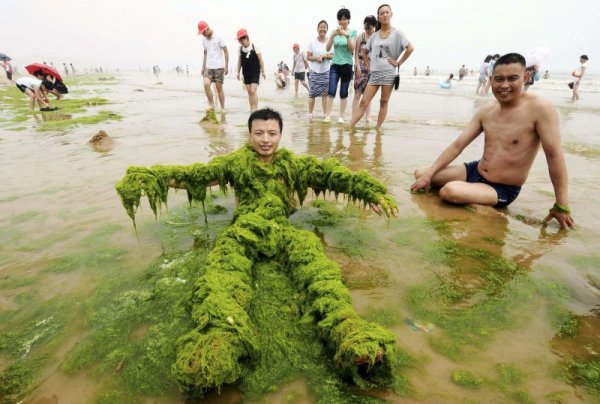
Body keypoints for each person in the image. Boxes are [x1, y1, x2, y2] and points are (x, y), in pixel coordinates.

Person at [116, 107, 399, 393]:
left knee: (318, 271)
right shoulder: (236, 162)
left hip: (282, 230)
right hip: (243, 230)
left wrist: (371, 193)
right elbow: (195, 176)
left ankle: (348, 332)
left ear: (280, 135)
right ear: (249, 134)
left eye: (272, 133)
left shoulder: (292, 165)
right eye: (259, 133)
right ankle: (219, 338)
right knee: (223, 274)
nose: (266, 139)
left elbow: (332, 176)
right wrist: (151, 178)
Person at [411, 53, 574, 229]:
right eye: (499, 79)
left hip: (502, 188)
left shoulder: (540, 109)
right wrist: (429, 175)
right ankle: (469, 190)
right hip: (476, 171)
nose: (504, 85)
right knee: (421, 173)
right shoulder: (487, 110)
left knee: (450, 191)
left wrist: (561, 205)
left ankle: (470, 192)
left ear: (526, 77)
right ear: (491, 79)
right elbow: (458, 145)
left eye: (512, 78)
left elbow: (554, 156)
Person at [349, 4, 414, 131]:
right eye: (382, 13)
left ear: (391, 14)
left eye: (387, 12)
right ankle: (350, 127)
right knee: (363, 102)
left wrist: (398, 62)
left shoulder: (398, 33)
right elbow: (363, 52)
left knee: (383, 102)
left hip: (389, 74)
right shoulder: (375, 35)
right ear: (378, 17)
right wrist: (368, 67)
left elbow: (410, 48)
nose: (385, 15)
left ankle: (378, 128)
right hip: (374, 74)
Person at [324, 8, 357, 123]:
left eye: (344, 19)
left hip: (347, 65)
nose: (342, 21)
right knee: (331, 90)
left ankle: (341, 117)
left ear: (348, 20)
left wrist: (346, 35)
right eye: (340, 19)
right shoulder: (335, 33)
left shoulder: (352, 32)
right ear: (338, 21)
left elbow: (352, 48)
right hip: (335, 64)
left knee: (344, 92)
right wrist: (332, 35)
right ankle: (328, 116)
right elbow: (327, 48)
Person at [198, 20, 229, 112]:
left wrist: (226, 66)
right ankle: (212, 105)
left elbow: (226, 52)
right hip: (208, 67)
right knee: (206, 84)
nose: (202, 34)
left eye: (203, 32)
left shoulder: (219, 37)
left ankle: (223, 108)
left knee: (219, 89)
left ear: (207, 28)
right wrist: (203, 67)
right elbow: (205, 53)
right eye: (201, 33)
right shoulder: (204, 40)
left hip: (219, 67)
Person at [351, 15, 377, 126]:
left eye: (369, 28)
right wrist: (357, 67)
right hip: (360, 67)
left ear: (374, 26)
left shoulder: (377, 37)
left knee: (368, 95)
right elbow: (356, 53)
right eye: (366, 28)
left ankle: (368, 117)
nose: (367, 30)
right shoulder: (360, 37)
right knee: (357, 94)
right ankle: (354, 115)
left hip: (372, 67)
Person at [306, 20, 333, 121]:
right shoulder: (312, 43)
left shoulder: (330, 42)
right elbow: (308, 57)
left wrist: (327, 56)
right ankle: (310, 113)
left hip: (326, 71)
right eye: (321, 27)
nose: (323, 29)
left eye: (324, 27)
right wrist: (316, 58)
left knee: (325, 94)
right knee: (312, 93)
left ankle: (325, 113)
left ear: (327, 29)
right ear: (317, 29)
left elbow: (333, 56)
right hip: (314, 71)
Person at [235, 28, 266, 112]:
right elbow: (240, 61)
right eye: (239, 40)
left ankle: (255, 109)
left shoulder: (255, 47)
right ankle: (251, 109)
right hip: (246, 73)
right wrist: (238, 72)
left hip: (255, 72)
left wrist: (263, 71)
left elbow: (260, 60)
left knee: (253, 91)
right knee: (249, 92)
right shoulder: (240, 49)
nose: (241, 42)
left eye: (242, 40)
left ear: (247, 38)